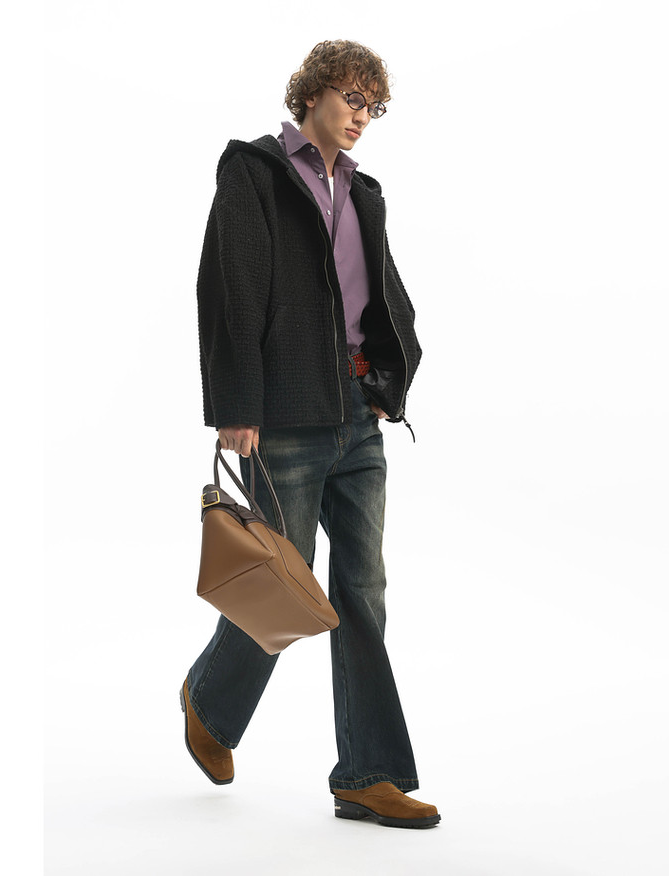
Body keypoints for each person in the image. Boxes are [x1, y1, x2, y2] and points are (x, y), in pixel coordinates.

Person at [180, 39, 440, 829]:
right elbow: (230, 289)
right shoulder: (255, 172)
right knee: (279, 584)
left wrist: (390, 382)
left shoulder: (365, 192)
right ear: (313, 93)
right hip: (286, 416)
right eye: (352, 98)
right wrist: (237, 405)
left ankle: (367, 773)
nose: (362, 116)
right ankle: (209, 701)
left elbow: (384, 293)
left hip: (359, 418)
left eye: (373, 106)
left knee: (362, 591)